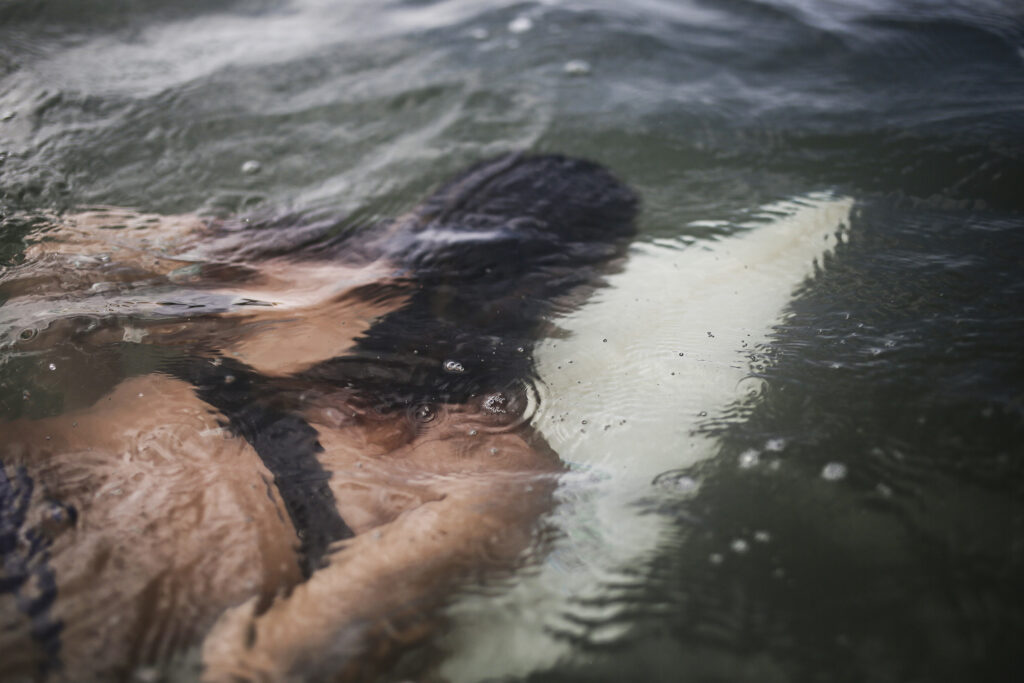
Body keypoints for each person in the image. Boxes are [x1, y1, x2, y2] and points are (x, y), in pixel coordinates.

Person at [0, 153, 637, 681]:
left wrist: (75, 403)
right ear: (573, 296)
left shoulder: (290, 263)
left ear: (430, 214)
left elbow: (59, 252)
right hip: (56, 611)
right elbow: (270, 660)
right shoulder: (494, 461)